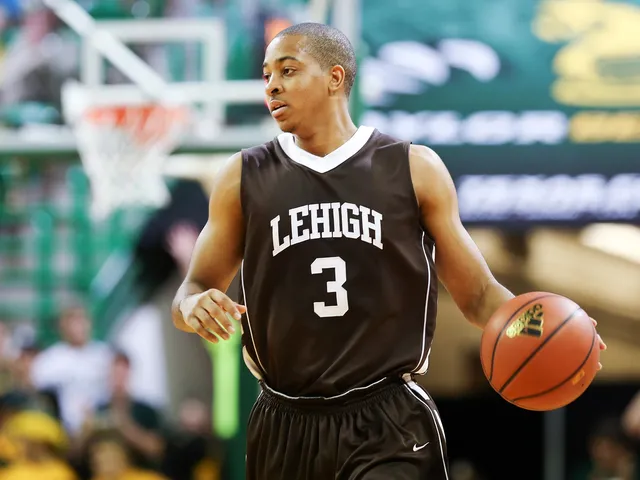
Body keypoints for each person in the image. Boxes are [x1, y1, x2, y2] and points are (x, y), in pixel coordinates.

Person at [171, 22, 607, 480]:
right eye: (267, 75)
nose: (272, 85)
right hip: (284, 420)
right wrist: (193, 304)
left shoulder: (413, 168)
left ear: (335, 78)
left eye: (288, 70)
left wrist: (553, 327)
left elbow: (479, 295)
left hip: (386, 419)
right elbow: (191, 290)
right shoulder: (242, 176)